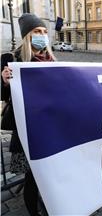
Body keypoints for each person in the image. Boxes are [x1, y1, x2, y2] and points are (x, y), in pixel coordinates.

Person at [1, 13, 55, 216]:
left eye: (44, 32)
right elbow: (3, 95)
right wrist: (4, 82)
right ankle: (34, 212)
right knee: (33, 177)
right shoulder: (11, 60)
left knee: (47, 174)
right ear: (27, 36)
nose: (42, 35)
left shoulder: (52, 60)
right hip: (27, 131)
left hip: (49, 128)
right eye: (37, 31)